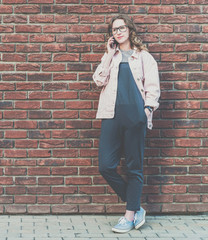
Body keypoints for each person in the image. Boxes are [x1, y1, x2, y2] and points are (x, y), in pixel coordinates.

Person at [92, 15, 160, 233]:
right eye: (114, 29)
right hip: (111, 115)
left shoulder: (144, 57)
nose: (118, 32)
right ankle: (135, 205)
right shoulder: (111, 56)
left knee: (134, 167)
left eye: (121, 28)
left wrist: (147, 110)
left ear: (130, 30)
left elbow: (153, 88)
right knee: (106, 166)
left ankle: (129, 215)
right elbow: (98, 80)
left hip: (135, 117)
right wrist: (109, 53)